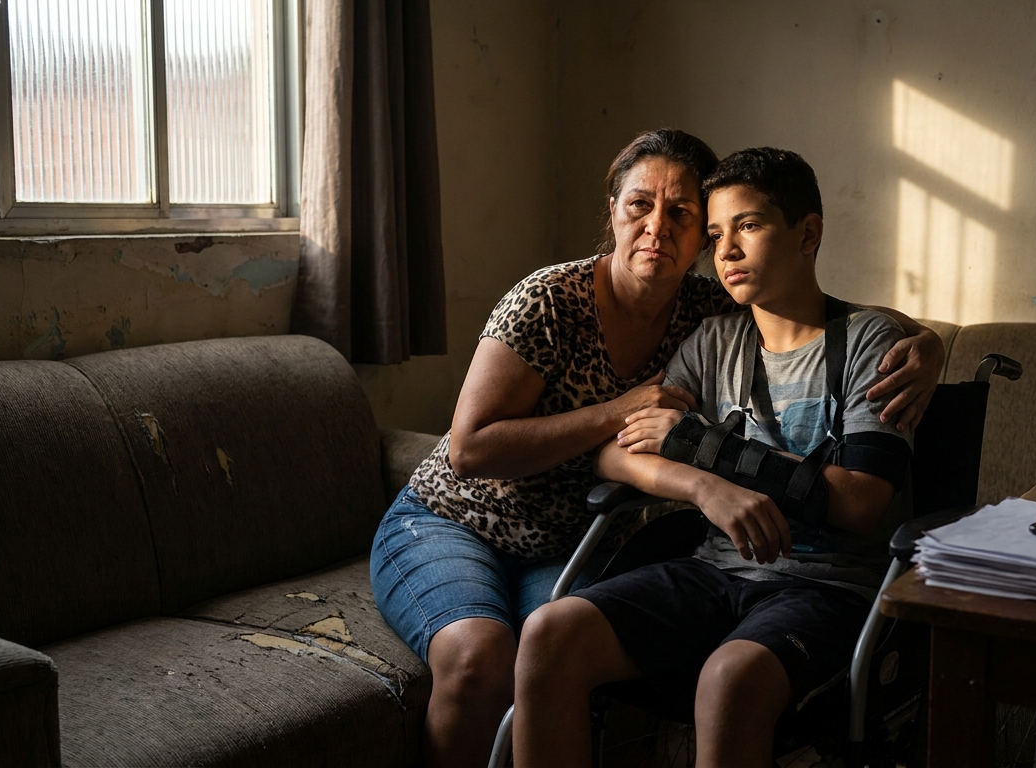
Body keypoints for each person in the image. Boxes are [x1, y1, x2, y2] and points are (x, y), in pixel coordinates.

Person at [370, 130, 942, 768]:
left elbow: (844, 347)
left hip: (764, 572)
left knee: (590, 647)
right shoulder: (562, 304)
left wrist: (931, 344)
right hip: (458, 521)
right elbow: (557, 450)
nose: (660, 230)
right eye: (639, 205)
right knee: (498, 653)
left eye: (688, 216)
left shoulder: (709, 310)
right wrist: (702, 482)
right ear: (611, 212)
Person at [513, 147, 914, 768]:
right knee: (549, 633)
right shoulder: (711, 341)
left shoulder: (870, 343)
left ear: (808, 233)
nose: (725, 251)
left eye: (748, 227)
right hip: (712, 572)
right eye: (716, 234)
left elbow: (861, 502)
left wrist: (706, 448)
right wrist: (707, 489)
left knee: (729, 679)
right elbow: (615, 458)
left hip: (825, 589)